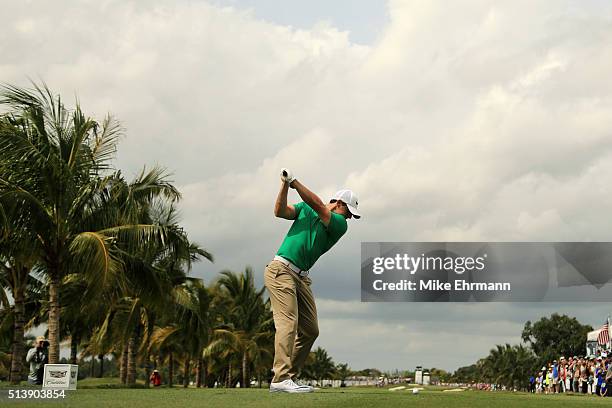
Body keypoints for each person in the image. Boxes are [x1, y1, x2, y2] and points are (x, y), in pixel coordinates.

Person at [264, 168, 360, 393]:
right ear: (339, 204)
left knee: (310, 330)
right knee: (288, 323)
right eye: (349, 212)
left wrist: (294, 182)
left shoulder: (339, 225)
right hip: (281, 270)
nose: (349, 218)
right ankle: (280, 379)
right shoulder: (305, 208)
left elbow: (318, 205)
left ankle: (288, 378)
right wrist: (285, 185)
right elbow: (279, 211)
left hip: (301, 277)